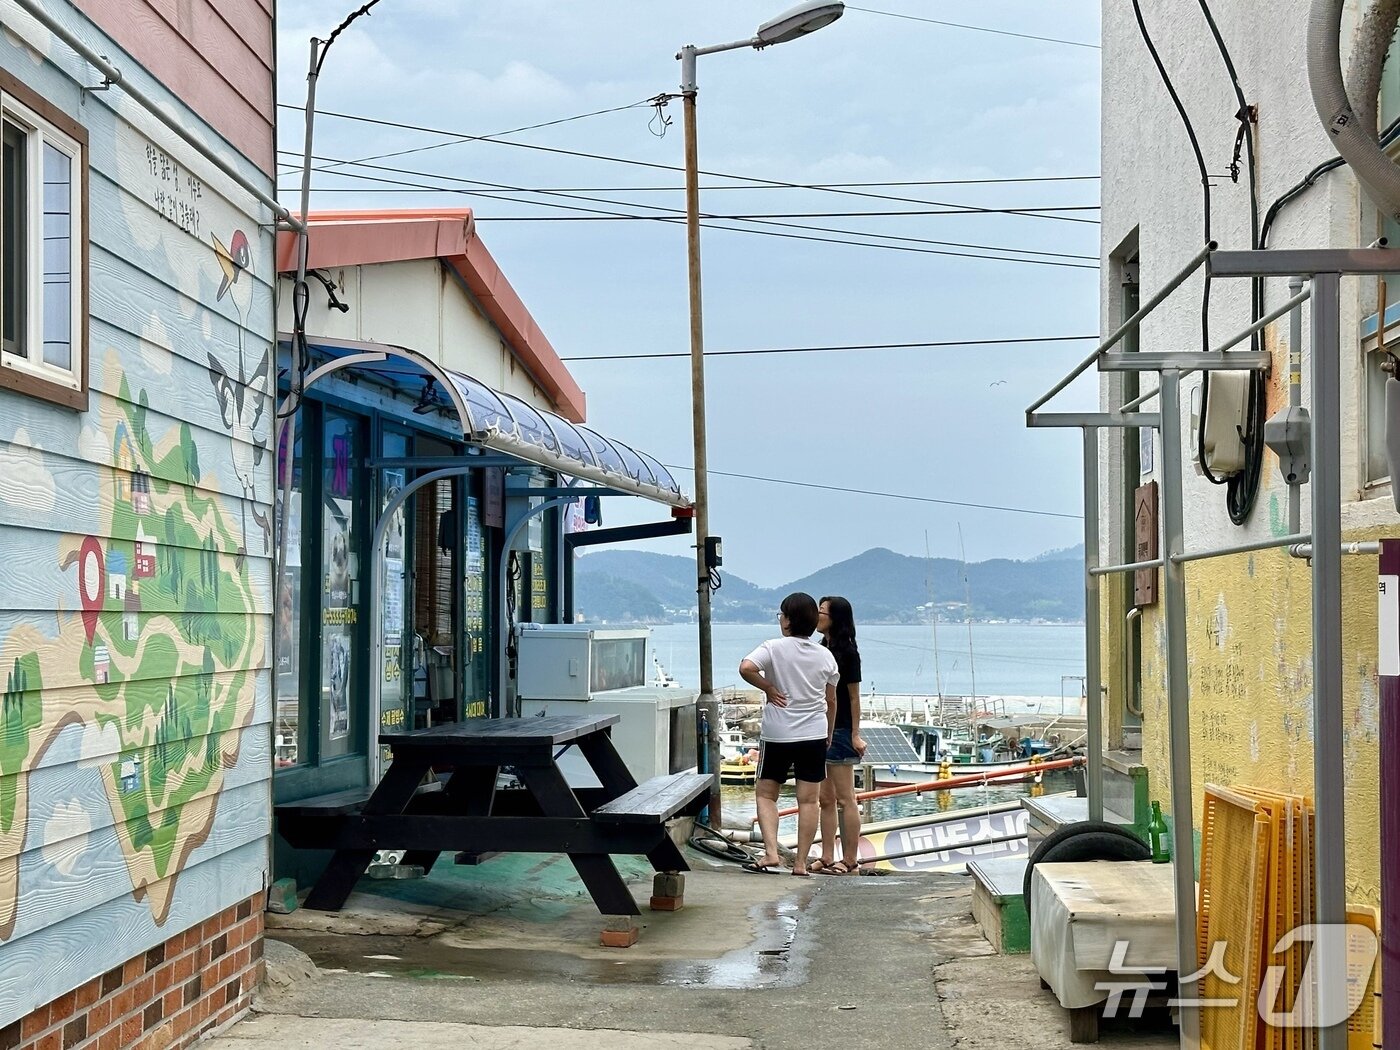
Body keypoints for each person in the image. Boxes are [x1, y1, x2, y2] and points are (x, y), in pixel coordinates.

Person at [738, 592, 838, 877]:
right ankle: (800, 864)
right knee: (808, 800)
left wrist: (768, 688)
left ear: (787, 621)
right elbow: (831, 701)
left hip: (777, 734)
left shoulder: (773, 647)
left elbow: (747, 667)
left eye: (781, 615)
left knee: (767, 795)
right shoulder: (825, 656)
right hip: (813, 734)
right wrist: (828, 733)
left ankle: (771, 852)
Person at [813, 595, 867, 874]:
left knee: (846, 798)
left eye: (822, 611)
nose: (817, 615)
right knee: (825, 798)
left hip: (842, 728)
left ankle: (850, 859)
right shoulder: (822, 648)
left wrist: (855, 734)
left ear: (836, 618)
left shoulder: (847, 652)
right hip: (820, 728)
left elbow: (854, 697)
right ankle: (826, 855)